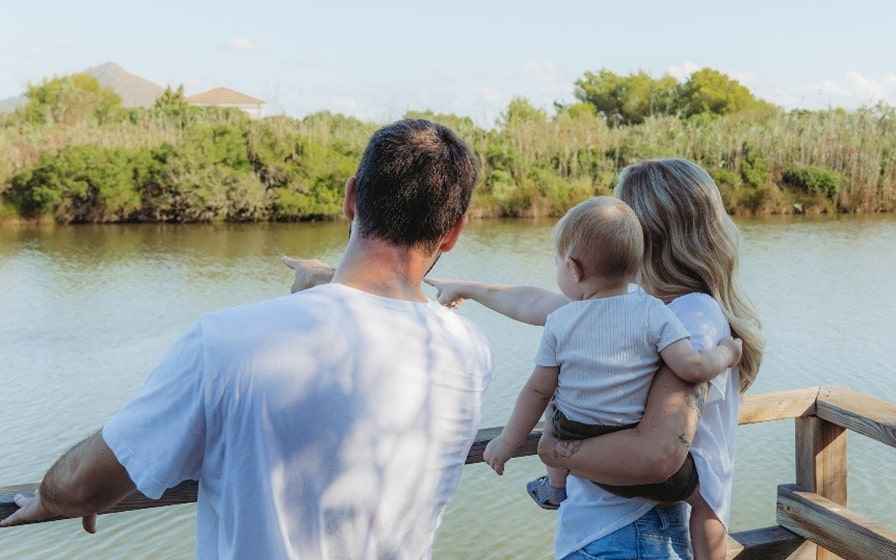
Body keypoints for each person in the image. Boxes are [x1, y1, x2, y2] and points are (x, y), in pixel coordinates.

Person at [1, 119, 494, 560]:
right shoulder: (469, 350)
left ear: (350, 199)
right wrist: (325, 287)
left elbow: (84, 487)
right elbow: (380, 321)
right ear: (452, 232)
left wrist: (48, 499)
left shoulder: (226, 342)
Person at [426, 158, 764, 560]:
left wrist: (551, 450)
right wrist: (470, 287)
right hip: (604, 530)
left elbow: (655, 457)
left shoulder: (691, 314)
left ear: (645, 238)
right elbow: (538, 303)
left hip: (632, 529)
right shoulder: (637, 307)